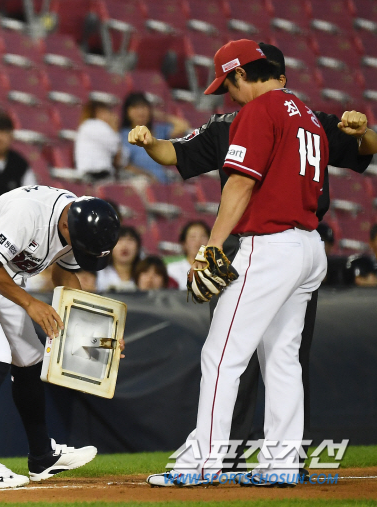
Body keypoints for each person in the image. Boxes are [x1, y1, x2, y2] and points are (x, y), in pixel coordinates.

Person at [128, 42, 376, 477]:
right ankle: (282, 462)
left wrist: (211, 246)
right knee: (282, 357)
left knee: (222, 356)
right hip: (308, 247)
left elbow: (240, 185)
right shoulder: (305, 115)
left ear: (242, 75)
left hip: (270, 245)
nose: (228, 94)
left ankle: (202, 462)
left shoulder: (258, 112)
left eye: (228, 83)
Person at [0, 186, 122, 489]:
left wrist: (98, 335)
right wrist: (31, 303)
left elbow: (63, 278)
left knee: (30, 359)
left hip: (2, 275)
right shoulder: (29, 213)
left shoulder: (78, 222)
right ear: (65, 224)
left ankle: (42, 456)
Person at [119, 92, 189, 182]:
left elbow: (183, 126)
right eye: (135, 108)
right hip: (142, 182)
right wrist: (147, 176)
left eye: (144, 107)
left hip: (164, 182)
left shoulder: (158, 131)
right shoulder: (123, 135)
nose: (140, 112)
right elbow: (124, 164)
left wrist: (160, 115)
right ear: (127, 112)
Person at [74, 100, 122, 180]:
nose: (109, 115)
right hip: (94, 174)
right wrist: (115, 128)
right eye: (105, 112)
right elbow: (114, 146)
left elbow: (121, 159)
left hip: (100, 174)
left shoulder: (87, 126)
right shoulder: (93, 124)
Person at [165, 221, 211, 290]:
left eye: (203, 236)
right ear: (184, 244)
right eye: (193, 237)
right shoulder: (171, 270)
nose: (198, 241)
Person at [95, 226, 140, 292]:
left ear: (138, 247)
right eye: (119, 240)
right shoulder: (99, 274)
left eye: (130, 240)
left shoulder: (145, 274)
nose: (124, 245)